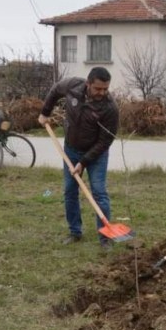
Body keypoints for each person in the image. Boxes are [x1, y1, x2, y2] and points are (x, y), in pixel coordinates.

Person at [38, 67, 119, 247]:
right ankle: (75, 232)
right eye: (98, 88)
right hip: (71, 149)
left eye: (105, 89)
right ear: (88, 83)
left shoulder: (110, 108)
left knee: (99, 193)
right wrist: (45, 113)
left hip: (96, 154)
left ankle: (105, 237)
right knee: (70, 191)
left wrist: (83, 162)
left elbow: (105, 141)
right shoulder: (73, 86)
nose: (102, 93)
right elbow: (55, 91)